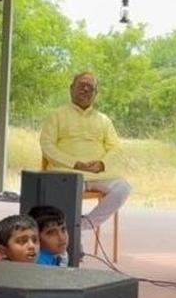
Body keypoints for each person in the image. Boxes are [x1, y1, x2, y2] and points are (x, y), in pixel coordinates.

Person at [40, 72, 130, 230]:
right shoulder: (57, 115)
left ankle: (83, 226)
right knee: (68, 192)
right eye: (81, 85)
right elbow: (47, 145)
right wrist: (74, 164)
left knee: (123, 188)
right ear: (71, 89)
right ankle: (69, 237)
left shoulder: (104, 120)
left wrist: (102, 164)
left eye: (91, 87)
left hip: (98, 173)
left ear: (96, 94)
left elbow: (116, 148)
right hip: (68, 172)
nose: (86, 90)